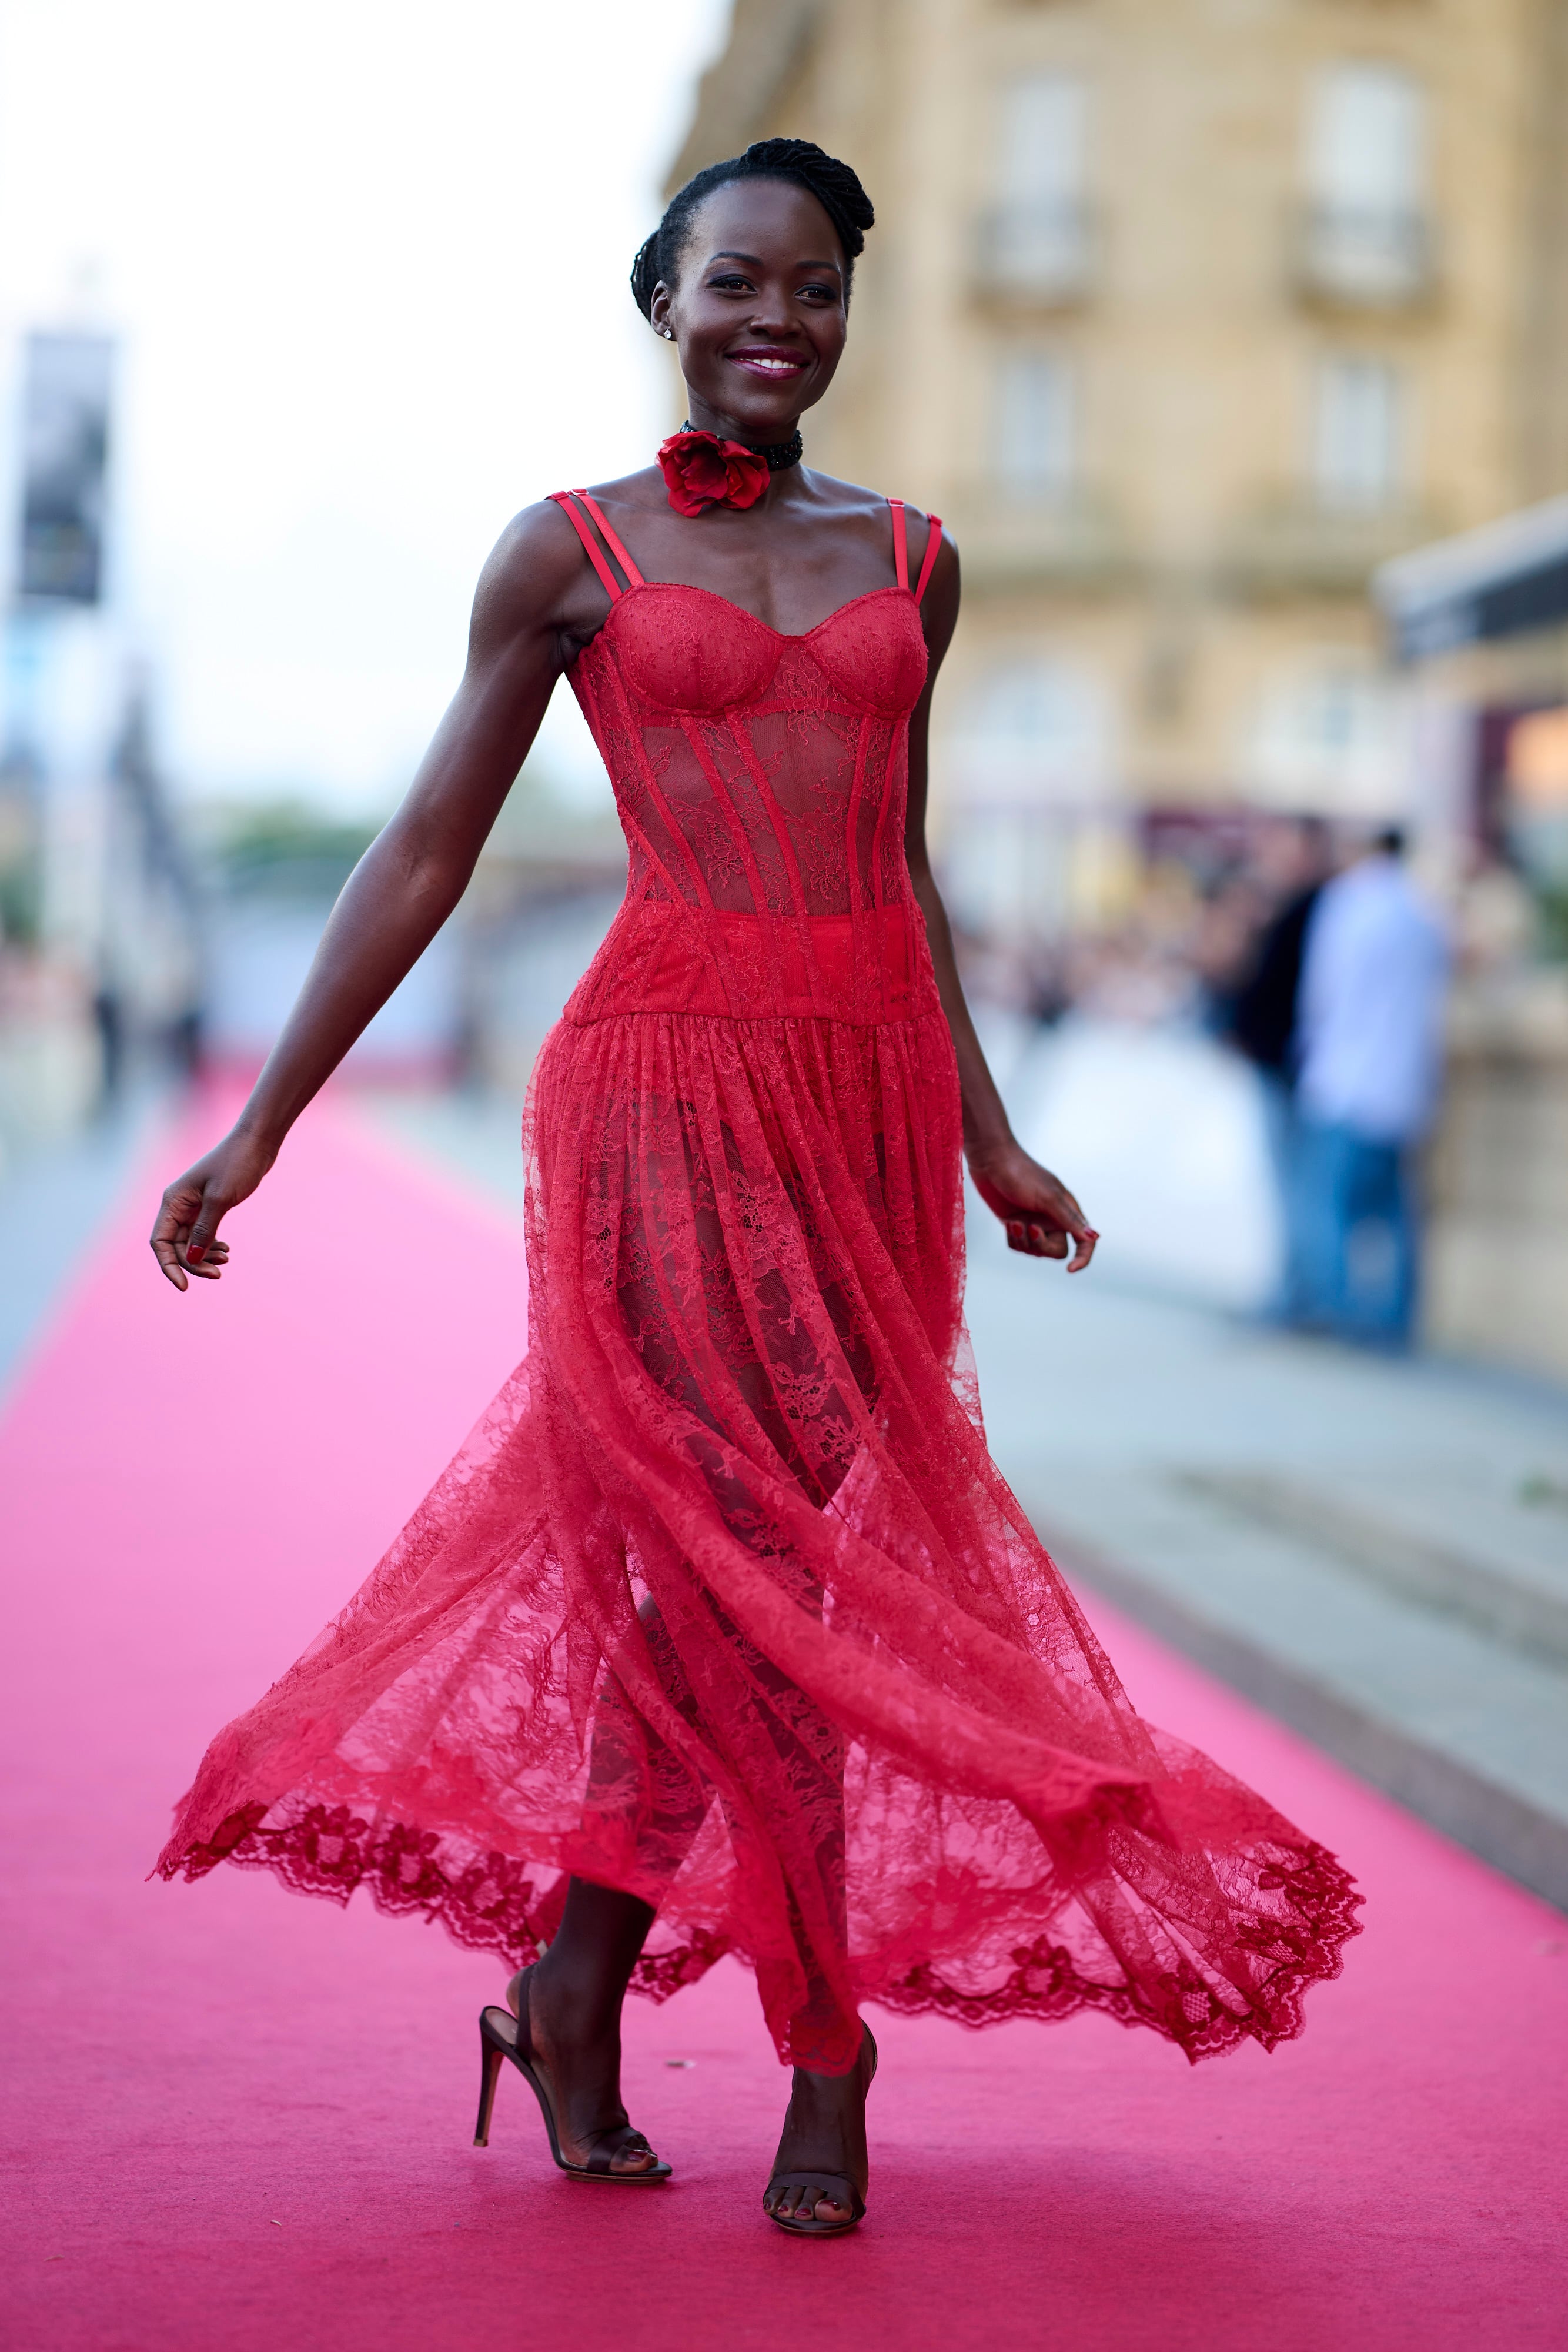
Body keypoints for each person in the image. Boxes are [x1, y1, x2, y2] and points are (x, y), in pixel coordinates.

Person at [149, 139, 1359, 2238]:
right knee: (755, 1582)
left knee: (757, 1590)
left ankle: (566, 1985)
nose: (773, 315)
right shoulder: (565, 550)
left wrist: (982, 1127)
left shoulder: (915, 554)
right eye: (734, 279)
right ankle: (824, 2040)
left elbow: (894, 863)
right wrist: (262, 1121)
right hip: (663, 1096)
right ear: (664, 298)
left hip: (864, 1110)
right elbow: (426, 849)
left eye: (813, 286)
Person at [1294, 826, 1450, 1348]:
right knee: (1395, 1215)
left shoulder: (1347, 905)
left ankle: (1339, 1311)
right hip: (1405, 1086)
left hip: (1345, 1079)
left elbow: (1324, 991)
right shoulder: (1423, 912)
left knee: (1333, 1208)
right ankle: (1395, 1320)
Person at [1218, 816, 1332, 1320]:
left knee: (1299, 1190)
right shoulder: (1289, 909)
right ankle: (1296, 1291)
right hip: (1281, 1063)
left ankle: (1302, 1297)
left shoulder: (1315, 910)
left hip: (1294, 1068)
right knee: (1290, 1188)